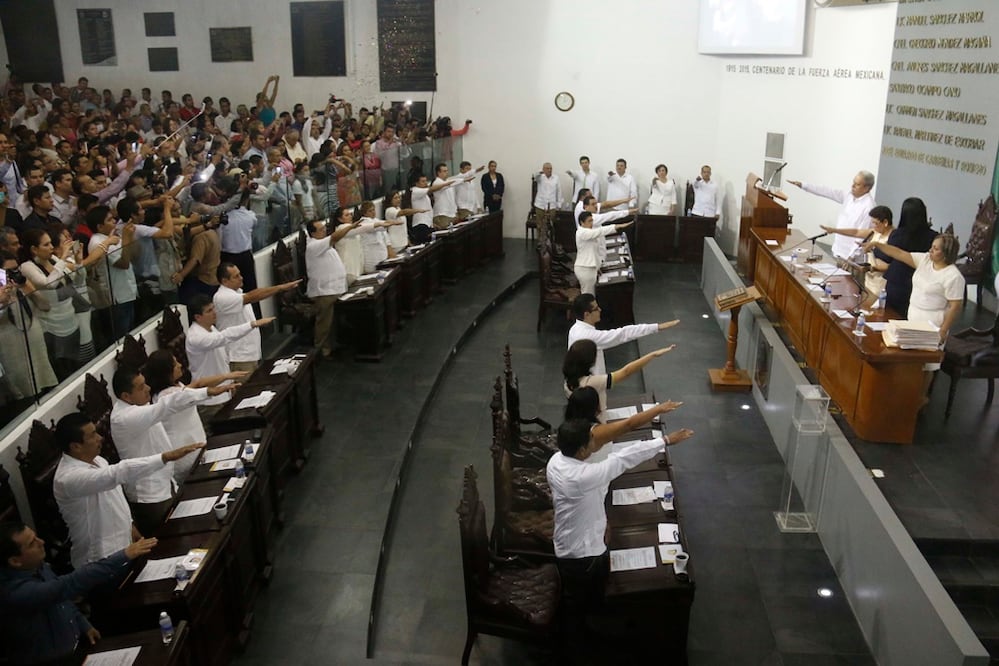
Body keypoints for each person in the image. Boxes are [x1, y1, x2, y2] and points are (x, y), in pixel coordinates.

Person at [547, 415, 693, 658]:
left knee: (581, 597)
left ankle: (586, 632)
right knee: (584, 603)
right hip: (583, 553)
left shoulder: (555, 462)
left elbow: (590, 497)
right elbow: (624, 458)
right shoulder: (584, 476)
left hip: (569, 540)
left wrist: (602, 519)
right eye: (592, 440)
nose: (596, 442)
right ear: (583, 449)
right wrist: (665, 440)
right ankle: (582, 647)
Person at [52, 411, 202, 569]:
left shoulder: (97, 460)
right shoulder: (68, 479)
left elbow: (114, 499)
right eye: (92, 435)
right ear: (75, 446)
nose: (100, 438)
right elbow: (117, 473)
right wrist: (165, 457)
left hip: (128, 547)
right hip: (100, 561)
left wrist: (131, 527)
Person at [0, 521, 158, 665]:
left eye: (36, 537)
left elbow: (61, 599)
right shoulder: (14, 593)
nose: (41, 542)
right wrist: (123, 555)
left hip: (78, 647)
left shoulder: (37, 566)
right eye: (32, 543)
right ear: (15, 561)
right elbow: (66, 586)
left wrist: (83, 623)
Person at [110, 366, 229, 534]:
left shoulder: (138, 405)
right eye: (141, 387)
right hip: (150, 495)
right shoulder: (125, 418)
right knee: (172, 539)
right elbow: (166, 405)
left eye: (146, 383)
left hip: (166, 482)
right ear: (126, 396)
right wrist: (207, 392)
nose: (148, 389)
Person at [863, 233, 964, 398]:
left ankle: (920, 398)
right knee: (910, 360)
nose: (931, 250)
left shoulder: (953, 276)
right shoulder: (924, 260)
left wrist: (943, 331)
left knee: (926, 365)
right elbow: (900, 254)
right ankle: (906, 394)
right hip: (914, 316)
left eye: (936, 248)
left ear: (946, 253)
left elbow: (955, 306)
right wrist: (878, 245)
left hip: (933, 323)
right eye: (932, 246)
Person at [144, 350, 247, 483]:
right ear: (166, 372)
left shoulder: (176, 387)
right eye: (175, 365)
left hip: (197, 443)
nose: (180, 365)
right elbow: (190, 394)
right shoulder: (166, 396)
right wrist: (214, 391)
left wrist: (226, 377)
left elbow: (198, 384)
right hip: (185, 453)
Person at [185, 294, 273, 422]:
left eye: (213, 308)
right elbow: (224, 337)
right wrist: (252, 324)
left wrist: (229, 383)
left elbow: (223, 357)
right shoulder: (196, 337)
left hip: (224, 392)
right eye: (209, 311)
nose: (214, 313)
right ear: (198, 317)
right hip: (210, 401)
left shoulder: (211, 328)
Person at [214, 262, 300, 372]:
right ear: (224, 281)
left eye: (240, 274)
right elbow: (253, 296)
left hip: (249, 353)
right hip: (239, 356)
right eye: (236, 276)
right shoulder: (222, 297)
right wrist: (280, 288)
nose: (241, 278)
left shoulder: (237, 292)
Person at [563, 340, 675, 421]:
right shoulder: (592, 382)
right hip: (597, 421)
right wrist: (652, 355)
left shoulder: (568, 381)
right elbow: (626, 372)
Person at [568, 293, 679, 375]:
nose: (600, 310)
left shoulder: (575, 328)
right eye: (596, 309)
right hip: (590, 386)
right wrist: (657, 327)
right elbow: (623, 334)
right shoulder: (588, 336)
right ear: (587, 314)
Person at [788, 170, 875, 259]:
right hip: (837, 250)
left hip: (850, 257)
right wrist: (804, 185)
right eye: (853, 182)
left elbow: (861, 236)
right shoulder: (849, 195)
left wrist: (851, 257)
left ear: (866, 188)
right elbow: (827, 191)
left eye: (857, 184)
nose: (852, 186)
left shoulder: (869, 207)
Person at [305, 217, 355, 358]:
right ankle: (322, 351)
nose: (324, 230)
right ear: (312, 233)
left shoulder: (322, 243)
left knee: (332, 321)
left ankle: (332, 345)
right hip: (324, 291)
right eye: (321, 229)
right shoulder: (313, 246)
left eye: (324, 228)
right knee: (324, 323)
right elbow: (335, 236)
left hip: (334, 288)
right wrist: (349, 227)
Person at [821, 205, 893, 302]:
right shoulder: (875, 232)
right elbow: (856, 232)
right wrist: (834, 230)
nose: (873, 226)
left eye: (876, 223)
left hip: (880, 283)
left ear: (885, 222)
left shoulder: (893, 237)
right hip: (868, 279)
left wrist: (871, 260)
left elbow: (890, 265)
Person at [878, 197, 936, 317]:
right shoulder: (933, 237)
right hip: (919, 284)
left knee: (889, 316)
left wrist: (875, 249)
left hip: (896, 282)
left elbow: (887, 257)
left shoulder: (897, 235)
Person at [574, 211, 632, 295]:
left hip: (591, 268)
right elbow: (600, 231)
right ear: (582, 222)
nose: (592, 223)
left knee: (592, 294)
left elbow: (594, 252)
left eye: (592, 220)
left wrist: (597, 267)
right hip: (585, 269)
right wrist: (617, 226)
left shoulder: (587, 231)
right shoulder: (581, 232)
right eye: (589, 221)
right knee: (588, 295)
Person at [409, 174, 458, 245]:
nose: (426, 183)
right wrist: (446, 184)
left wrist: (432, 223)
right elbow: (432, 189)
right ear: (416, 183)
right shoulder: (415, 191)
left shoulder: (423, 193)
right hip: (420, 225)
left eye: (426, 181)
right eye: (423, 181)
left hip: (427, 224)